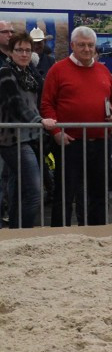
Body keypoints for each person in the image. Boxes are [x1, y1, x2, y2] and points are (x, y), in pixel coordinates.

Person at [41, 25, 112, 226]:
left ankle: (98, 233)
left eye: (90, 45)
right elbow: (46, 104)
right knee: (65, 194)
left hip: (101, 141)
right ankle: (59, 235)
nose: (87, 49)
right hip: (70, 143)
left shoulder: (103, 70)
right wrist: (56, 132)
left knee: (99, 193)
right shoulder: (57, 70)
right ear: (72, 45)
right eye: (82, 45)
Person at [0, 30, 44, 227]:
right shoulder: (5, 72)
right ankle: (26, 231)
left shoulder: (31, 74)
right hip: (12, 139)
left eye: (27, 50)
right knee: (34, 192)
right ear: (11, 52)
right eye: (19, 50)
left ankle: (16, 232)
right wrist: (38, 120)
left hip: (31, 137)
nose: (24, 54)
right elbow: (14, 103)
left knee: (17, 189)